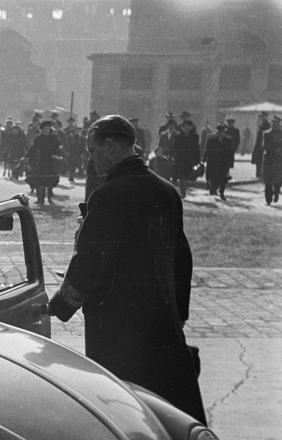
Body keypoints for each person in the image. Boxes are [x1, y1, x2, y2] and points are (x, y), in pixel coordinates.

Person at [48, 115, 205, 424]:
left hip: (117, 324)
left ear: (110, 146)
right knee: (163, 404)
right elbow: (181, 260)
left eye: (93, 151)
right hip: (161, 318)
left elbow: (90, 261)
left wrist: (61, 304)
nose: (91, 159)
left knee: (121, 404)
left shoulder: (108, 195)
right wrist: (179, 313)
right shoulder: (167, 191)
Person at [25, 120, 64, 205]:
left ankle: (49, 197)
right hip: (40, 162)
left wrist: (58, 156)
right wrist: (27, 157)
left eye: (48, 128)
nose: (46, 130)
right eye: (45, 129)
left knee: (50, 181)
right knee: (39, 181)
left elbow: (59, 149)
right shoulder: (38, 139)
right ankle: (40, 199)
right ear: (42, 130)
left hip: (51, 162)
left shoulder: (54, 138)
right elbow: (32, 150)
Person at [203, 124, 234, 200]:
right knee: (215, 177)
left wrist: (231, 163)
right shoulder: (211, 140)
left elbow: (231, 152)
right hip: (214, 162)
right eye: (219, 132)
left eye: (222, 132)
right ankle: (213, 188)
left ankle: (222, 192)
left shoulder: (228, 140)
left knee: (224, 178)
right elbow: (207, 150)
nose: (220, 133)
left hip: (224, 162)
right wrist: (213, 152)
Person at [170, 119, 200, 198]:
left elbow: (197, 149)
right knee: (181, 176)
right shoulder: (178, 136)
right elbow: (174, 147)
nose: (186, 128)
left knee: (186, 176)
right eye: (184, 126)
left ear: (191, 127)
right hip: (180, 159)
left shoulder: (195, 137)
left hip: (189, 159)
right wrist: (171, 155)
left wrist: (197, 160)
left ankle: (183, 191)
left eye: (187, 126)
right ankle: (182, 191)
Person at [261, 115, 282, 205]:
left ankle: (276, 191)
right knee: (268, 179)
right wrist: (275, 149)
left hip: (280, 159)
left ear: (280, 123)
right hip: (269, 159)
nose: (275, 124)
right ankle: (268, 198)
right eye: (273, 122)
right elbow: (265, 145)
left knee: (278, 179)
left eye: (277, 122)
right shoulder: (266, 133)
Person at [252, 111, 271, 179]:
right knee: (258, 160)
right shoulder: (261, 124)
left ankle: (260, 175)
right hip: (259, 144)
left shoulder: (267, 125)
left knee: (261, 160)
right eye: (261, 116)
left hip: (262, 145)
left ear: (266, 117)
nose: (262, 117)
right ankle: (258, 174)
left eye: (263, 116)